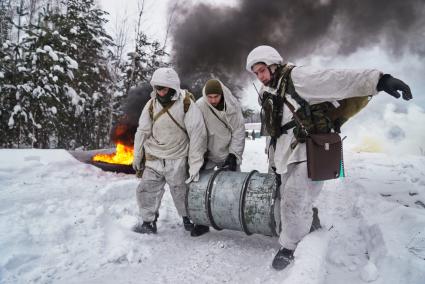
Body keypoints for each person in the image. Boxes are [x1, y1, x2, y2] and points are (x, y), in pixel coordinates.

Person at [245, 45, 412, 270]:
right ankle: (308, 222)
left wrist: (380, 80)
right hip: (286, 153)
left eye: (262, 70)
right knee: (288, 198)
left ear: (274, 65)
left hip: (309, 149)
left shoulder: (298, 77)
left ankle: (289, 247)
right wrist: (274, 162)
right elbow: (274, 131)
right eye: (256, 73)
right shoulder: (270, 92)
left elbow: (337, 79)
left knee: (295, 199)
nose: (260, 76)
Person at [132, 67, 207, 235]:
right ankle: (148, 222)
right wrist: (137, 155)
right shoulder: (151, 104)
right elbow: (142, 131)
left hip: (178, 157)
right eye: (157, 88)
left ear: (172, 87)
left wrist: (195, 165)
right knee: (146, 190)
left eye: (163, 88)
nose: (159, 92)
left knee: (181, 192)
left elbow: (197, 135)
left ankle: (189, 218)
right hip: (154, 156)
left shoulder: (187, 104)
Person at [191, 79, 246, 237]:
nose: (213, 100)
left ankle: (235, 217)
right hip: (207, 153)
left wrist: (233, 155)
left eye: (216, 96)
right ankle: (201, 222)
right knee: (200, 188)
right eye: (210, 97)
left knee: (233, 188)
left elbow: (238, 131)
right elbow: (196, 132)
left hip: (227, 152)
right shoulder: (200, 105)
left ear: (221, 95)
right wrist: (198, 156)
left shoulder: (232, 105)